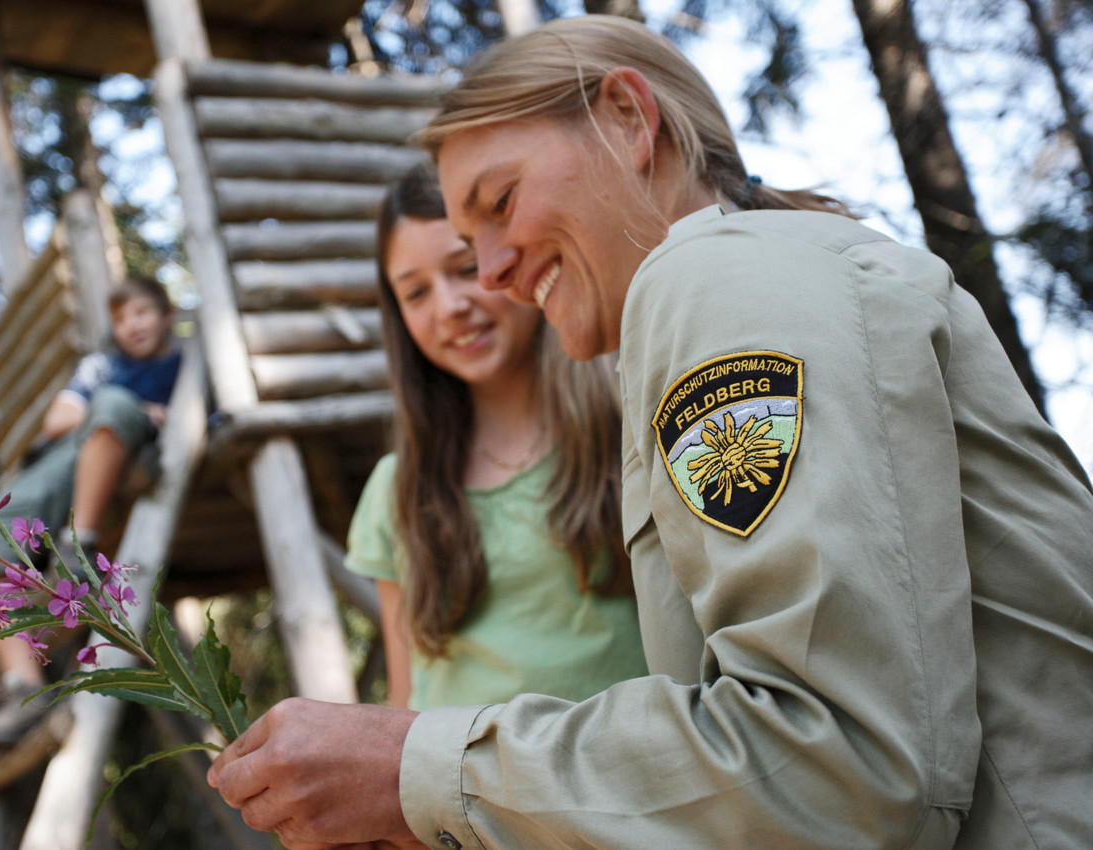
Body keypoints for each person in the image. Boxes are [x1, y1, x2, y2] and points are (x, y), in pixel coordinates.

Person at [206, 15, 1093, 850]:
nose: (496, 275)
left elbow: (840, 764)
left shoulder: (712, 277)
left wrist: (418, 767)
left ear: (630, 117)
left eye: (501, 202)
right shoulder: (761, 277)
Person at [349, 162, 645, 713]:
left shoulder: (633, 428)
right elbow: (405, 701)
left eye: (464, 269)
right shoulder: (396, 489)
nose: (448, 307)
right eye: (415, 294)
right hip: (459, 797)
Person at [0, 273, 181, 753]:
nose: (132, 325)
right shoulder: (102, 366)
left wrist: (132, 410)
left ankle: (80, 545)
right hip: (67, 460)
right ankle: (23, 686)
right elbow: (57, 420)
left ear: (168, 315)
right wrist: (137, 406)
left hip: (126, 453)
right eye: (121, 319)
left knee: (115, 405)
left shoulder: (185, 364)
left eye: (142, 312)